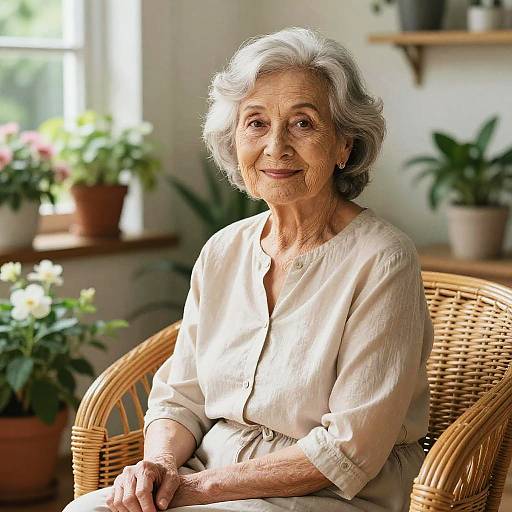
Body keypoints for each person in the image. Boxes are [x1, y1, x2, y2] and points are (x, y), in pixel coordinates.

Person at [64, 26, 434, 512]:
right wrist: (159, 466)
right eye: (255, 123)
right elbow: (181, 396)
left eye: (303, 123)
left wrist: (197, 491)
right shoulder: (223, 251)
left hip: (330, 491)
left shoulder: (383, 259)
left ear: (344, 144)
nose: (275, 146)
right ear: (234, 139)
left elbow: (349, 448)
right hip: (211, 472)